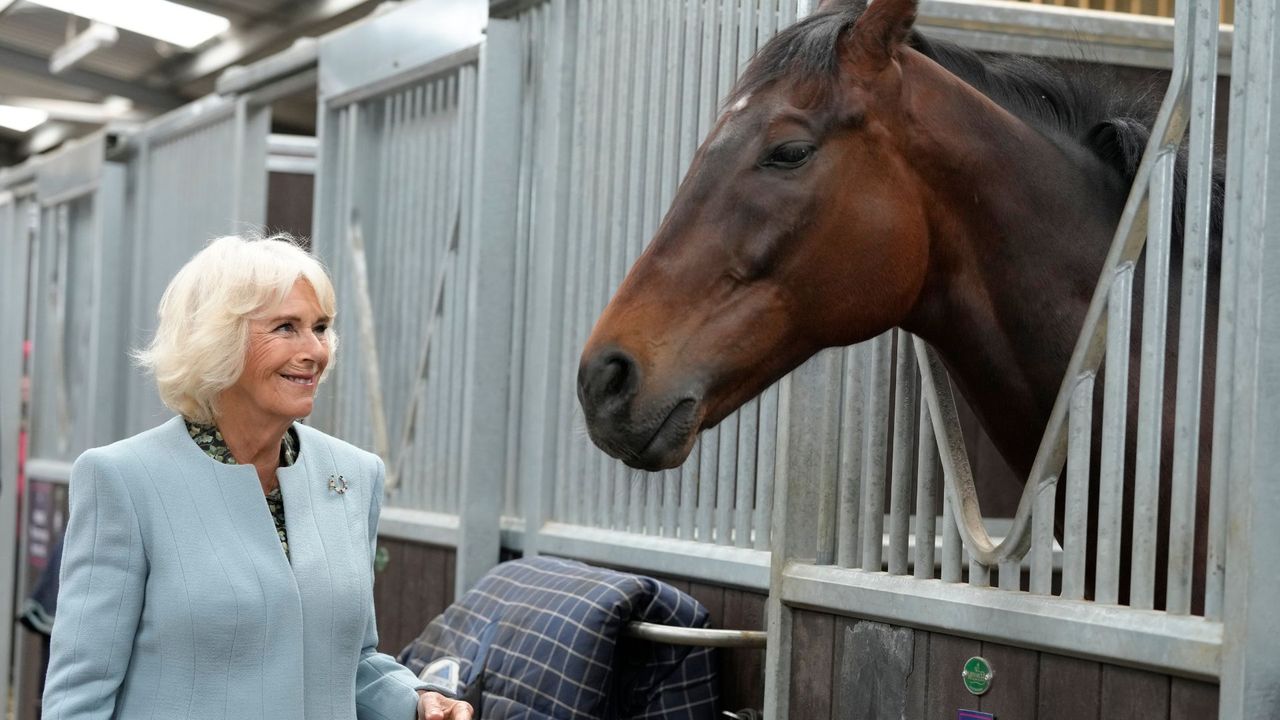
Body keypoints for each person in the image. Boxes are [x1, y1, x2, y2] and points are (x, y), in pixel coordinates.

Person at [42, 234, 472, 720]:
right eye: (286, 327)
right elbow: (79, 696)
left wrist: (414, 701)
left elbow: (347, 660)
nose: (315, 350)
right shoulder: (122, 480)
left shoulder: (354, 476)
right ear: (217, 340)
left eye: (321, 327)